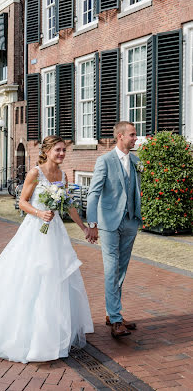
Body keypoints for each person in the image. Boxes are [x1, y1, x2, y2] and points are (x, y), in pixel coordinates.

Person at [0, 135, 93, 363]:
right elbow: (23, 202)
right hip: (35, 229)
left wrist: (84, 228)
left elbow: (69, 204)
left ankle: (52, 332)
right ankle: (25, 333)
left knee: (56, 276)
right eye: (58, 150)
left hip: (56, 232)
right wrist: (40, 213)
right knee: (32, 275)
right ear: (48, 150)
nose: (62, 154)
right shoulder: (35, 172)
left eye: (64, 151)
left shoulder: (63, 175)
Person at [86, 122, 142, 339]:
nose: (136, 138)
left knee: (121, 269)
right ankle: (116, 320)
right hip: (109, 224)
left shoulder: (135, 161)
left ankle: (113, 313)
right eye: (132, 135)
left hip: (130, 222)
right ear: (120, 136)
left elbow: (134, 189)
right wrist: (92, 224)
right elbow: (94, 193)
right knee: (111, 270)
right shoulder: (105, 161)